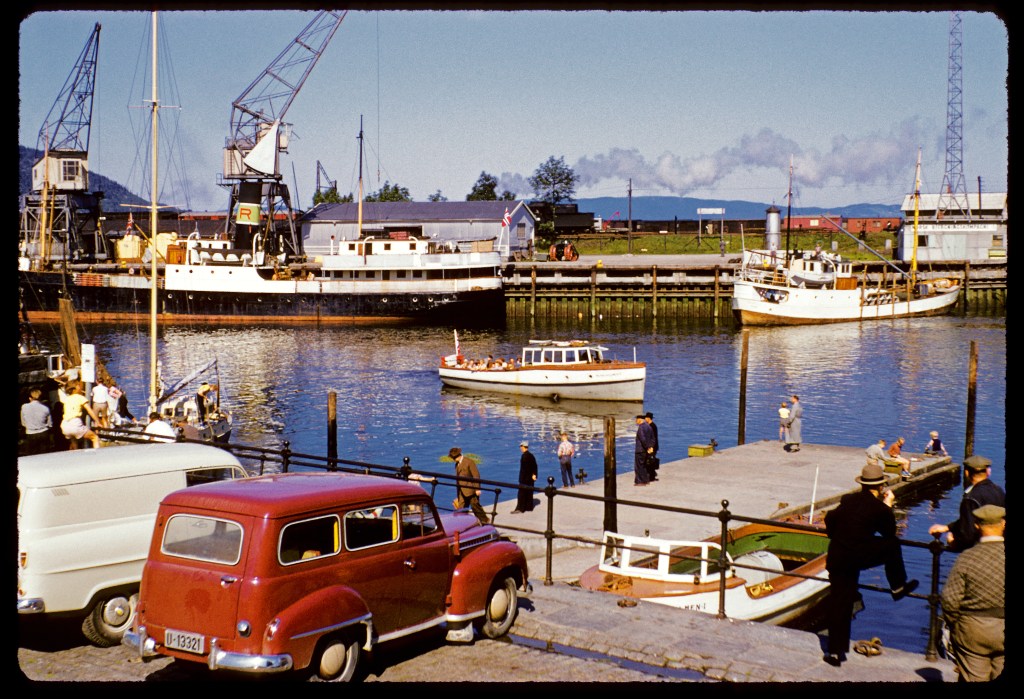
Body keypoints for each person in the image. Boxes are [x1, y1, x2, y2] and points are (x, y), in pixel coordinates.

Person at [822, 463, 919, 667]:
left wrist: (837, 535)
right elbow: (889, 532)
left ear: (862, 484)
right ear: (881, 487)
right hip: (856, 556)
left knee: (840, 601)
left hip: (837, 556)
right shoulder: (878, 507)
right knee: (892, 545)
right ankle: (897, 586)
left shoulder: (848, 500)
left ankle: (835, 653)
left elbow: (830, 518)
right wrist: (888, 506)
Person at [939, 504, 1005, 682]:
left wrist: (955, 626)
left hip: (974, 629)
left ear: (977, 525)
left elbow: (949, 600)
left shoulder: (967, 558)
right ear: (1003, 524)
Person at [929, 454, 1005, 552]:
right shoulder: (998, 490)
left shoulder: (970, 498)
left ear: (966, 473)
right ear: (988, 472)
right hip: (999, 547)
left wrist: (955, 542)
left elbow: (968, 534)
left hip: (980, 550)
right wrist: (948, 527)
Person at [449, 447, 488, 525]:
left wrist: (477, 489)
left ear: (457, 456)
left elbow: (476, 475)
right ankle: (462, 522)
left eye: (453, 458)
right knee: (461, 507)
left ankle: (484, 521)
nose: (453, 459)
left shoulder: (469, 462)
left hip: (471, 489)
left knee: (475, 506)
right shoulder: (457, 464)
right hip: (461, 490)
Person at [58, 380, 101, 449]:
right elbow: (90, 411)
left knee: (74, 443)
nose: (81, 387)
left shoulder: (67, 399)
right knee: (94, 437)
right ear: (76, 388)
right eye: (79, 385)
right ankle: (98, 455)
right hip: (75, 423)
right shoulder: (80, 397)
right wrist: (98, 421)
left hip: (65, 424)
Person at [20, 388, 53, 455]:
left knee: (32, 455)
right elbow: (50, 424)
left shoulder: (24, 407)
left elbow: (23, 423)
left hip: (30, 433)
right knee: (45, 455)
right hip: (43, 432)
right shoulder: (45, 408)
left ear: (30, 398)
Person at [512, 441, 538, 513]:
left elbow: (524, 469)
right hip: (530, 478)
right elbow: (535, 466)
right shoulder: (531, 455)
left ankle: (520, 508)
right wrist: (534, 475)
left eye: (521, 446)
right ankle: (529, 507)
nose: (520, 448)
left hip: (524, 478)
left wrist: (521, 478)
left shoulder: (524, 456)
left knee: (521, 494)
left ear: (523, 447)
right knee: (529, 493)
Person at [634, 414, 655, 486]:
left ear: (639, 419)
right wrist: (651, 447)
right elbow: (653, 438)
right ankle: (646, 480)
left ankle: (640, 481)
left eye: (636, 419)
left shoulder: (641, 427)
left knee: (639, 466)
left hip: (640, 450)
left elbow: (643, 439)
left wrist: (647, 447)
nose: (635, 421)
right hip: (646, 450)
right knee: (644, 465)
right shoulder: (649, 426)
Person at [645, 412, 660, 481]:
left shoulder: (652, 426)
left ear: (648, 418)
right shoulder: (651, 425)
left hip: (652, 447)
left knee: (650, 461)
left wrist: (650, 447)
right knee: (650, 460)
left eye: (646, 418)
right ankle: (652, 475)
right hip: (653, 446)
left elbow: (652, 438)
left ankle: (651, 476)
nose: (645, 419)